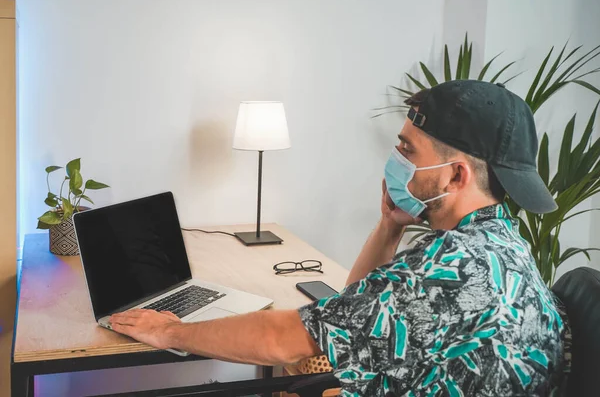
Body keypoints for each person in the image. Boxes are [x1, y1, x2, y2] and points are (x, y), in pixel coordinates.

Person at [110, 80, 566, 396]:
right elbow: (351, 316)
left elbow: (284, 340)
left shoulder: (447, 269)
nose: (395, 157)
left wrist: (170, 329)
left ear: (455, 175)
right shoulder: (501, 242)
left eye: (408, 149)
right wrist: (389, 225)